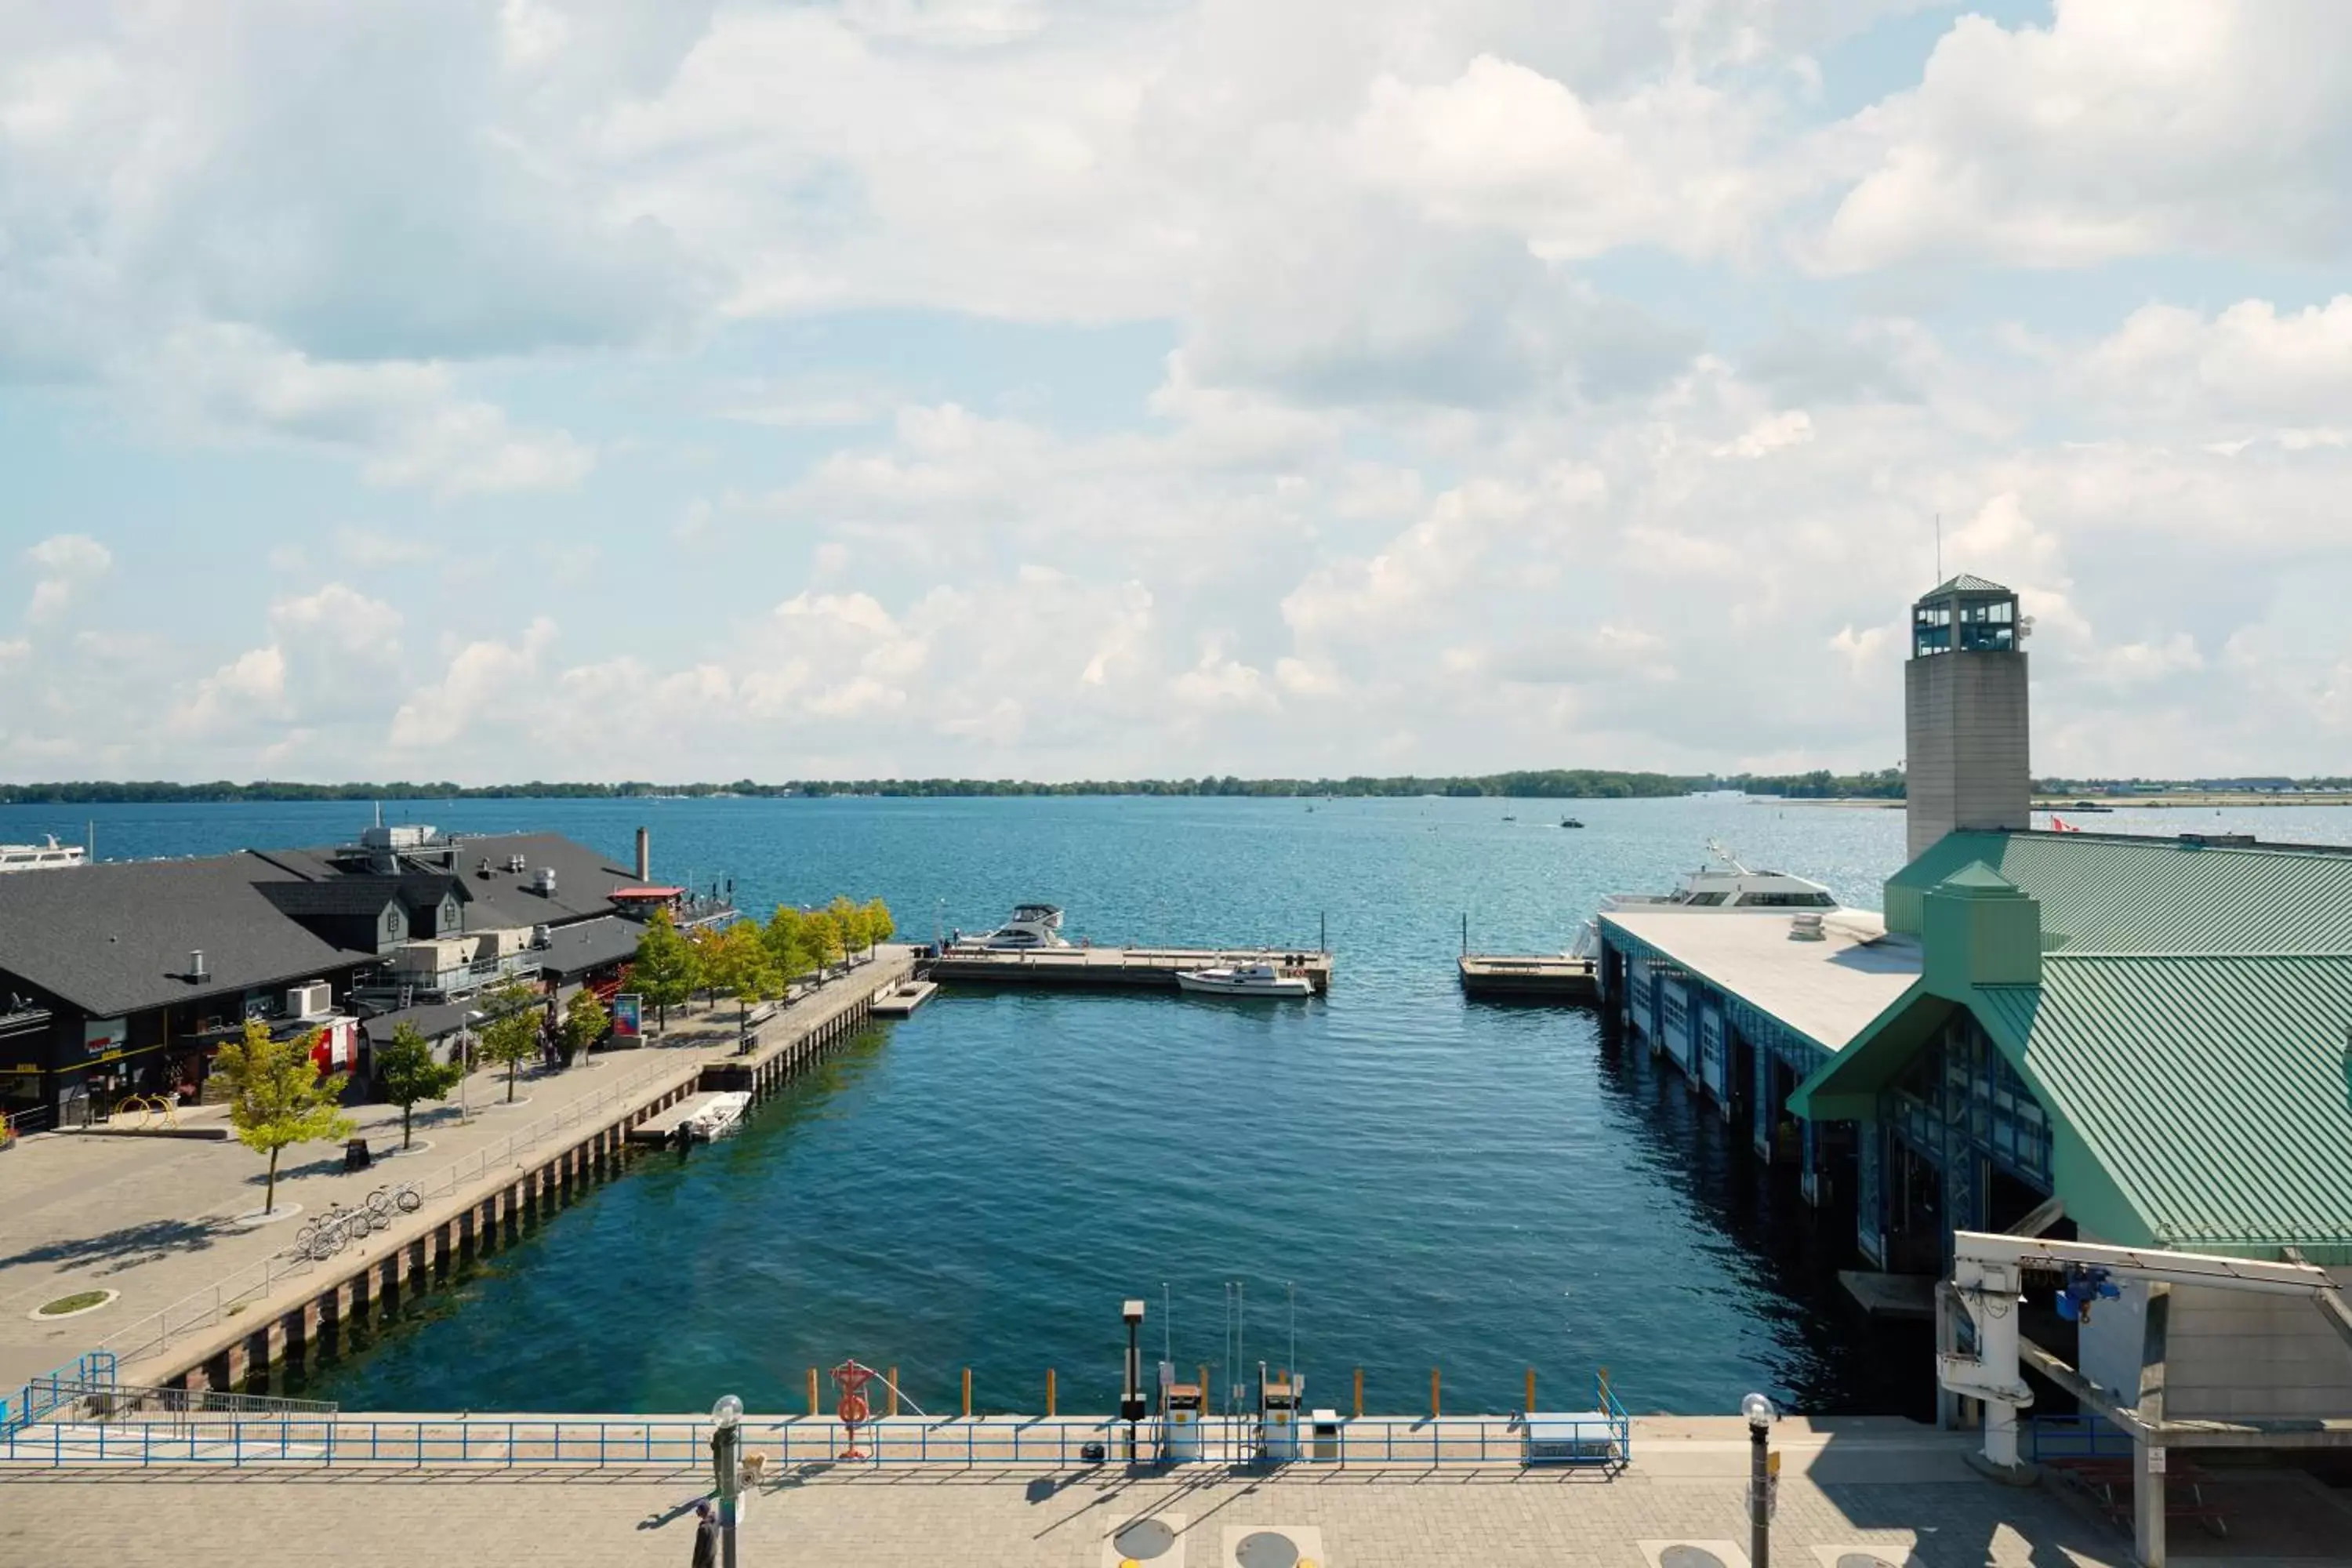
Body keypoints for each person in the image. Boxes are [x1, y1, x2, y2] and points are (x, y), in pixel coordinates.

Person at [689, 1500, 719, 1568]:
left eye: (698, 1509)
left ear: (702, 1511)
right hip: (712, 1554)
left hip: (704, 1562)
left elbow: (698, 1549)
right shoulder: (715, 1520)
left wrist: (695, 1565)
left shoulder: (703, 1529)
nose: (697, 1511)